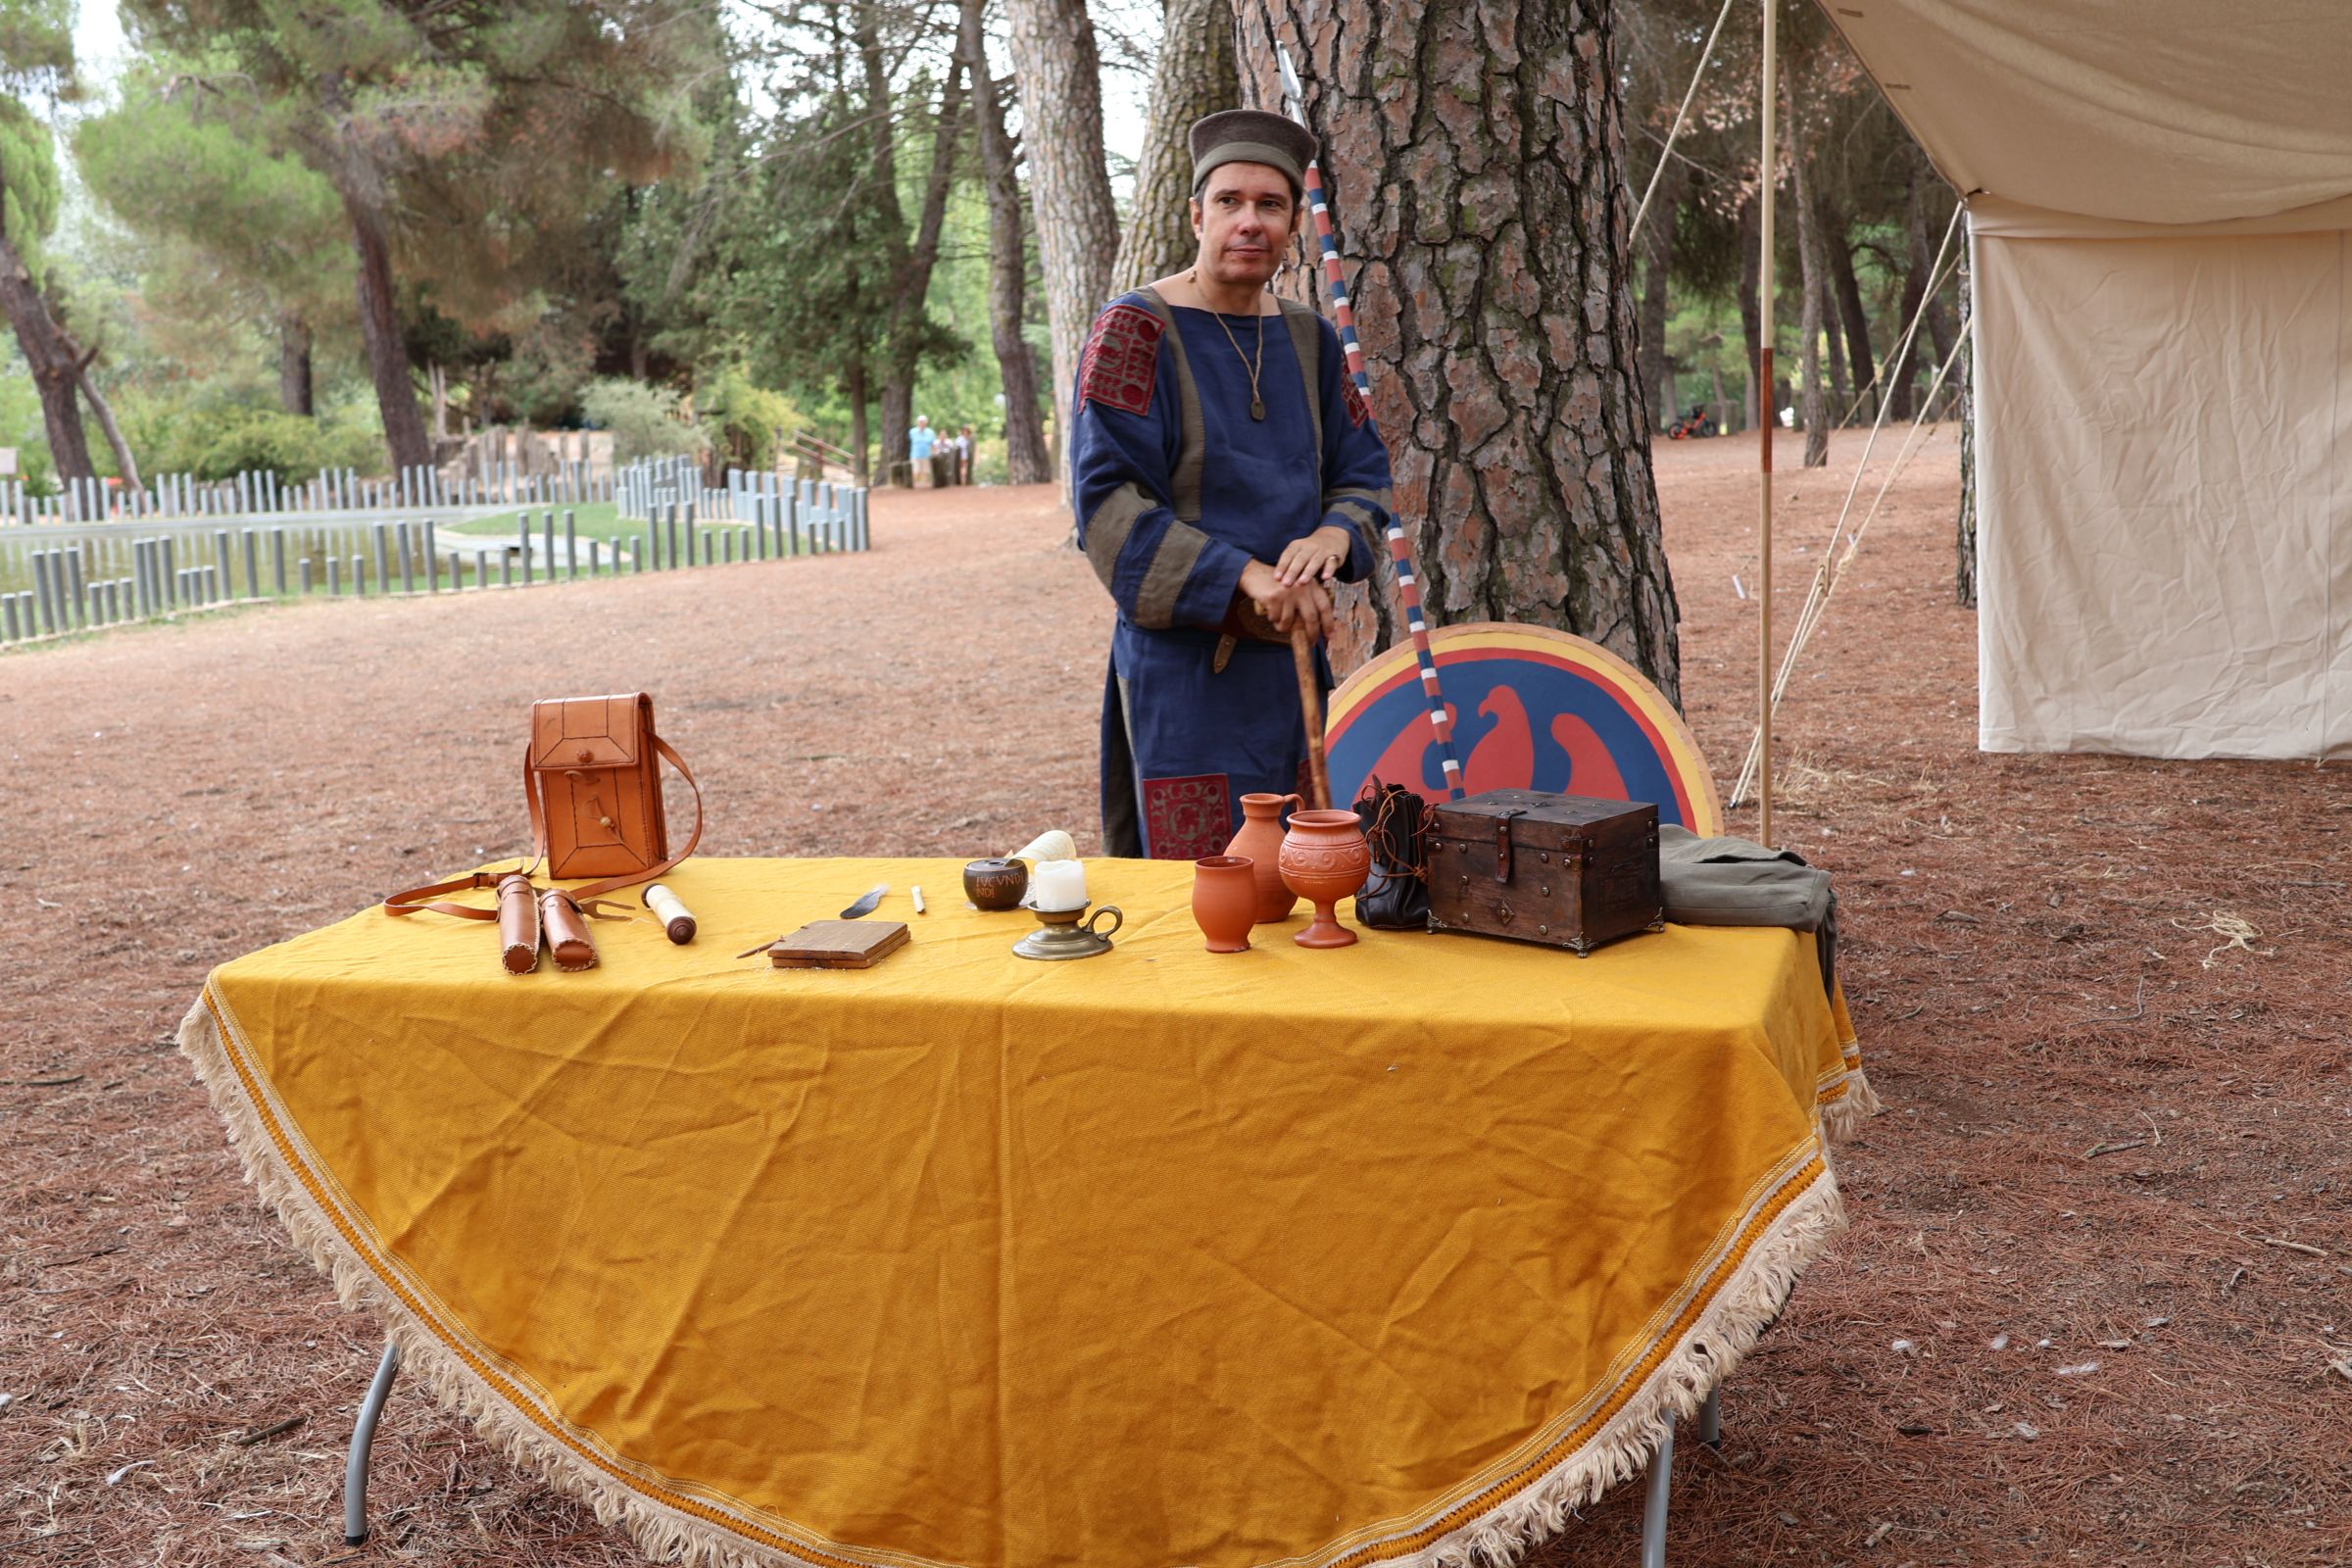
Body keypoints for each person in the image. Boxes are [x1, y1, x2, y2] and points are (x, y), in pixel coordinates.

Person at [1068, 109, 1395, 859]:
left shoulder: (1310, 339)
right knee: (1206, 891)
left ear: (1292, 225)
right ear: (1196, 214)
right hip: (1187, 677)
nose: (1250, 222)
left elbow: (1364, 468)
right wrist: (1243, 576)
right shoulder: (1132, 331)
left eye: (1270, 205)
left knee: (1304, 868)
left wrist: (1333, 532)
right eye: (1230, 202)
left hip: (1289, 667)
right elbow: (1107, 504)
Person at [908, 416, 936, 488]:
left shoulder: (930, 432)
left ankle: (925, 486)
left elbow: (933, 444)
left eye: (923, 422)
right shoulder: (912, 432)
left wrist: (934, 453)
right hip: (915, 455)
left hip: (927, 455)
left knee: (926, 472)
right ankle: (914, 486)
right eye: (920, 422)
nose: (921, 423)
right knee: (916, 471)